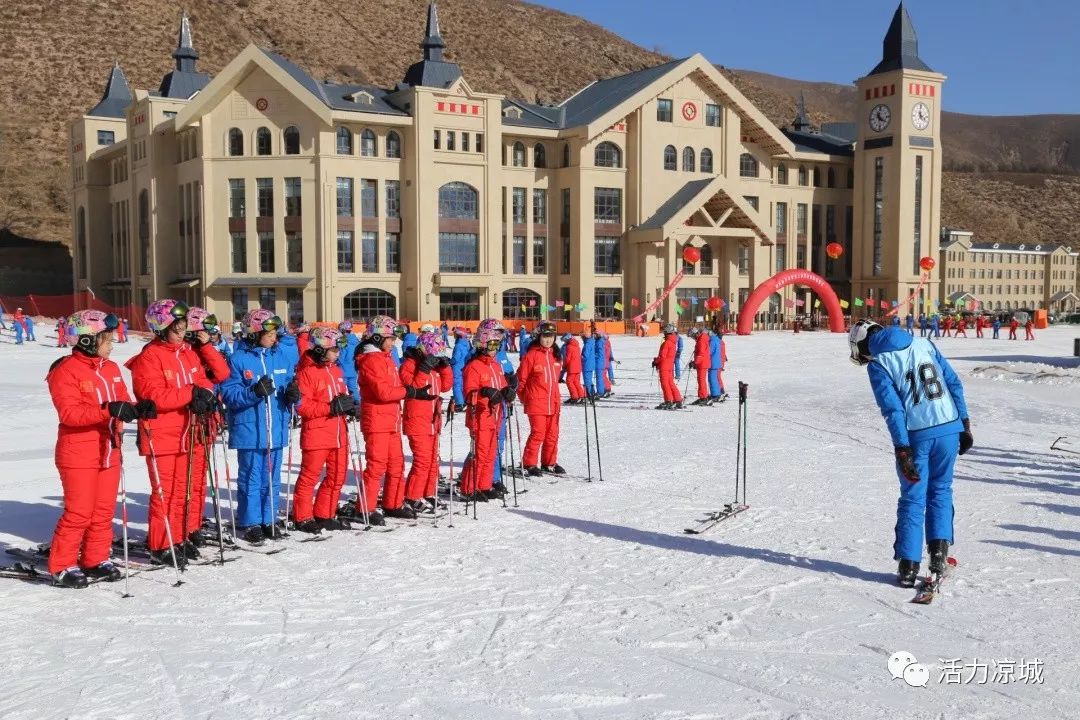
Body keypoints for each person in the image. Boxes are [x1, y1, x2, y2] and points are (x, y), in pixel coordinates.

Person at [848, 319, 972, 588]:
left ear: (864, 344)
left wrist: (902, 448)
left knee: (913, 498)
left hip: (917, 438)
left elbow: (893, 410)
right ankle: (939, 554)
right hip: (949, 429)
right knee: (941, 490)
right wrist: (964, 422)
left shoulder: (879, 363)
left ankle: (908, 565)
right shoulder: (924, 343)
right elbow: (953, 383)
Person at [46, 310, 152, 587]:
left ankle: (95, 558)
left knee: (104, 511)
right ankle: (62, 564)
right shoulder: (65, 370)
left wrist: (137, 409)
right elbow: (69, 414)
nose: (112, 344)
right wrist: (107, 410)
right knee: (79, 512)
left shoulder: (111, 368)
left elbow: (122, 402)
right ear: (86, 340)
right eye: (106, 339)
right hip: (79, 451)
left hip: (109, 449)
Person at [126, 299, 216, 565]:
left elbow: (204, 381)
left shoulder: (187, 353)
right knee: (165, 493)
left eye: (183, 328)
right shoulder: (149, 357)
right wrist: (191, 394)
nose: (182, 334)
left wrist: (205, 395)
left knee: (182, 490)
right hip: (162, 434)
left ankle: (179, 536)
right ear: (161, 328)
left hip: (188, 431)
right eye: (177, 329)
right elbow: (152, 396)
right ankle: (161, 543)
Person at [219, 309, 299, 545]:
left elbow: (288, 386)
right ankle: (250, 520)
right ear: (255, 333)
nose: (275, 337)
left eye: (276, 333)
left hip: (276, 428)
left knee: (273, 478)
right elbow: (230, 394)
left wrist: (294, 396)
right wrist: (253, 392)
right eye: (269, 333)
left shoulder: (280, 358)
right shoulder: (238, 359)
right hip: (251, 430)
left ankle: (269, 518)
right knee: (252, 477)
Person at [357, 316, 433, 522]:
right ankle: (366, 507)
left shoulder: (385, 358)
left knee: (396, 464)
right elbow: (383, 392)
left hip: (390, 419)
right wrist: (409, 392)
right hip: (377, 420)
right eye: (389, 338)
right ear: (377, 337)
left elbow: (396, 388)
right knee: (377, 465)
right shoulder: (372, 360)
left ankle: (393, 502)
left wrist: (414, 392)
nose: (393, 342)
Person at [292, 327, 353, 533]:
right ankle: (303, 517)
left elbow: (342, 395)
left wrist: (350, 405)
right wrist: (331, 407)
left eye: (338, 349)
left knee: (338, 475)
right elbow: (303, 407)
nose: (338, 353)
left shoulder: (336, 370)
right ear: (320, 350)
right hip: (317, 432)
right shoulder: (306, 373)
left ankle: (325, 513)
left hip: (338, 432)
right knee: (310, 476)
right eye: (334, 349)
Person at [181, 307, 232, 546]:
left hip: (207, 420)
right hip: (187, 422)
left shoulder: (203, 350)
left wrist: (206, 347)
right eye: (205, 329)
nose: (210, 333)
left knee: (200, 476)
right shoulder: (183, 353)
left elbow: (222, 373)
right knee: (188, 478)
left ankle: (194, 521)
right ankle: (185, 524)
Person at [401, 331, 453, 513]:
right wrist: (423, 369)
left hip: (433, 420)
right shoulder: (410, 364)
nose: (435, 359)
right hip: (417, 420)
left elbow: (446, 386)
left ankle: (428, 492)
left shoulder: (435, 368)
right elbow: (413, 387)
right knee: (422, 460)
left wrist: (445, 367)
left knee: (432, 461)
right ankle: (412, 496)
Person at [459, 323, 511, 500]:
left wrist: (507, 391)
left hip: (496, 417)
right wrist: (484, 393)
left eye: (498, 345)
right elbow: (468, 393)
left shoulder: (495, 366)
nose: (495, 349)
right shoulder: (474, 366)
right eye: (492, 345)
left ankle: (485, 484)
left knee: (491, 453)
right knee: (479, 453)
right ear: (482, 345)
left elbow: (502, 385)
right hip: (479, 417)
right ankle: (469, 488)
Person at [517, 321, 565, 476]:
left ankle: (549, 462)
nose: (548, 340)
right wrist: (527, 399)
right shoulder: (531, 356)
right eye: (545, 336)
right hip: (536, 402)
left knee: (552, 434)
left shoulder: (556, 356)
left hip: (554, 402)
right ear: (538, 337)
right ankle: (529, 463)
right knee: (538, 433)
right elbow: (520, 381)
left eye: (551, 336)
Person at [652, 323, 683, 409]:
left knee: (665, 384)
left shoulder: (667, 343)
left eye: (664, 332)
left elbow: (662, 356)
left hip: (664, 366)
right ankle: (678, 400)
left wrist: (656, 362)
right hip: (669, 366)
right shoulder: (673, 342)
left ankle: (669, 401)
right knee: (671, 383)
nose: (664, 334)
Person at [337, 320, 361, 405]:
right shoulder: (356, 342)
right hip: (353, 370)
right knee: (353, 389)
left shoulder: (344, 343)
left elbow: (341, 357)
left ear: (343, 331)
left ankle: (341, 406)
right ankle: (358, 405)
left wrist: (336, 361)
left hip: (342, 370)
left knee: (340, 390)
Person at [688, 327, 711, 405]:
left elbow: (701, 354)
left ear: (696, 334)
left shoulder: (701, 340)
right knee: (701, 380)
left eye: (692, 336)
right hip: (702, 363)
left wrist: (695, 363)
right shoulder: (701, 339)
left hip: (702, 363)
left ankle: (704, 397)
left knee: (701, 381)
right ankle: (703, 396)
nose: (693, 338)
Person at [560, 332, 585, 404]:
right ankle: (581, 396)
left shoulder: (569, 347)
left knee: (569, 382)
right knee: (576, 382)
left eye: (565, 340)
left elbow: (567, 358)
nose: (564, 342)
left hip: (572, 367)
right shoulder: (577, 346)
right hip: (578, 367)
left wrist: (564, 366)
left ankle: (574, 397)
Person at [450, 326, 471, 410]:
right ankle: (463, 400)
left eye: (455, 334)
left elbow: (456, 358)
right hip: (463, 366)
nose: (454, 335)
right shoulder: (466, 344)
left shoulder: (458, 345)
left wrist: (449, 361)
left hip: (457, 367)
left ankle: (459, 403)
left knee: (456, 385)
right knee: (462, 384)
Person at [708, 328, 729, 403]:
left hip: (718, 361)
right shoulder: (720, 342)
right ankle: (720, 390)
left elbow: (713, 351)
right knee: (717, 377)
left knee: (716, 377)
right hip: (720, 361)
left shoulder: (718, 342)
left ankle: (720, 391)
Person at [581, 327, 598, 398]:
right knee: (589, 380)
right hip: (591, 364)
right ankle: (592, 393)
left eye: (582, 336)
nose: (581, 338)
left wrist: (580, 358)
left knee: (587, 381)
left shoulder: (588, 343)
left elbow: (585, 355)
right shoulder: (592, 341)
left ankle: (590, 395)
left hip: (587, 365)